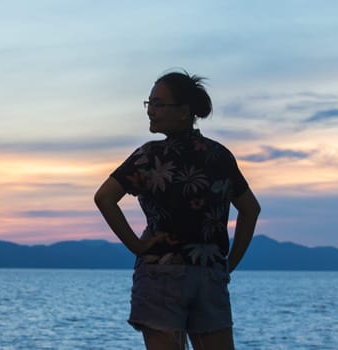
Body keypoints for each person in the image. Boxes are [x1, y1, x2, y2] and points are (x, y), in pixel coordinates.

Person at [94, 69, 260, 350]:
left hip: (162, 274)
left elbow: (104, 198)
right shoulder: (218, 155)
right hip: (209, 274)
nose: (151, 111)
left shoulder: (150, 156)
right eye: (149, 103)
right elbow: (250, 209)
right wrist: (228, 264)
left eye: (159, 104)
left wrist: (137, 246)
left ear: (184, 111)